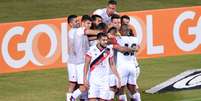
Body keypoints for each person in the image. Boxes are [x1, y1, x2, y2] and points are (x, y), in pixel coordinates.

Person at [70, 15, 100, 101]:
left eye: (90, 23)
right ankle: (72, 97)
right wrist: (103, 32)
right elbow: (92, 32)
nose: (89, 25)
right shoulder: (80, 30)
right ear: (82, 23)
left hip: (84, 62)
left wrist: (100, 36)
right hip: (81, 63)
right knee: (85, 85)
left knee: (87, 84)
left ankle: (83, 99)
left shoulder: (82, 33)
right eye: (88, 23)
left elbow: (90, 38)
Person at [83, 32, 121, 101]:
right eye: (103, 40)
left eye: (106, 40)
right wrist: (85, 78)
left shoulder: (109, 50)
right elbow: (86, 64)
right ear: (98, 40)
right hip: (93, 80)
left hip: (105, 81)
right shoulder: (91, 49)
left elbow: (112, 64)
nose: (105, 42)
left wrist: (118, 78)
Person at [116, 24, 141, 101]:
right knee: (133, 89)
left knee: (121, 91)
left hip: (122, 67)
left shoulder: (118, 39)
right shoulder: (135, 39)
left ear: (121, 31)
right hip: (132, 66)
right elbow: (137, 48)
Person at [66, 14, 80, 101]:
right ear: (71, 24)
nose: (78, 22)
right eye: (76, 21)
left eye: (78, 21)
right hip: (73, 62)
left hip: (76, 62)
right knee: (72, 83)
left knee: (78, 84)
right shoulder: (73, 32)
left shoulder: (76, 31)